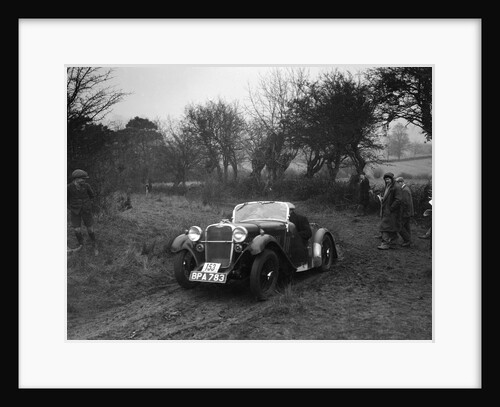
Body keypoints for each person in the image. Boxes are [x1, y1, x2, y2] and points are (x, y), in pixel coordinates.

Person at [67, 169, 99, 255]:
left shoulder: (86, 186)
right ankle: (81, 245)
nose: (84, 180)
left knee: (90, 229)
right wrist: (70, 207)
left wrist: (88, 204)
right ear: (76, 179)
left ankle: (94, 245)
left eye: (85, 179)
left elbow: (92, 196)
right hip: (75, 211)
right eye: (82, 179)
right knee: (77, 230)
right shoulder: (69, 187)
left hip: (86, 210)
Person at [377, 172, 402, 250]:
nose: (387, 181)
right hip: (387, 209)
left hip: (392, 211)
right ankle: (394, 243)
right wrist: (382, 199)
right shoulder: (388, 186)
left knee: (384, 227)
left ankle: (385, 243)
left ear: (392, 179)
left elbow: (398, 200)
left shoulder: (396, 187)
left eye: (388, 179)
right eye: (385, 179)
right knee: (391, 227)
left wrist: (391, 208)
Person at [396, 177, 414, 247]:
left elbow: (405, 203)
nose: (397, 185)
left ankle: (407, 240)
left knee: (399, 226)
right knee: (406, 226)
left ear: (401, 182)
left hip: (405, 212)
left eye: (398, 183)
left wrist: (401, 213)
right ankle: (408, 241)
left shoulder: (405, 190)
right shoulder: (405, 188)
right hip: (408, 212)